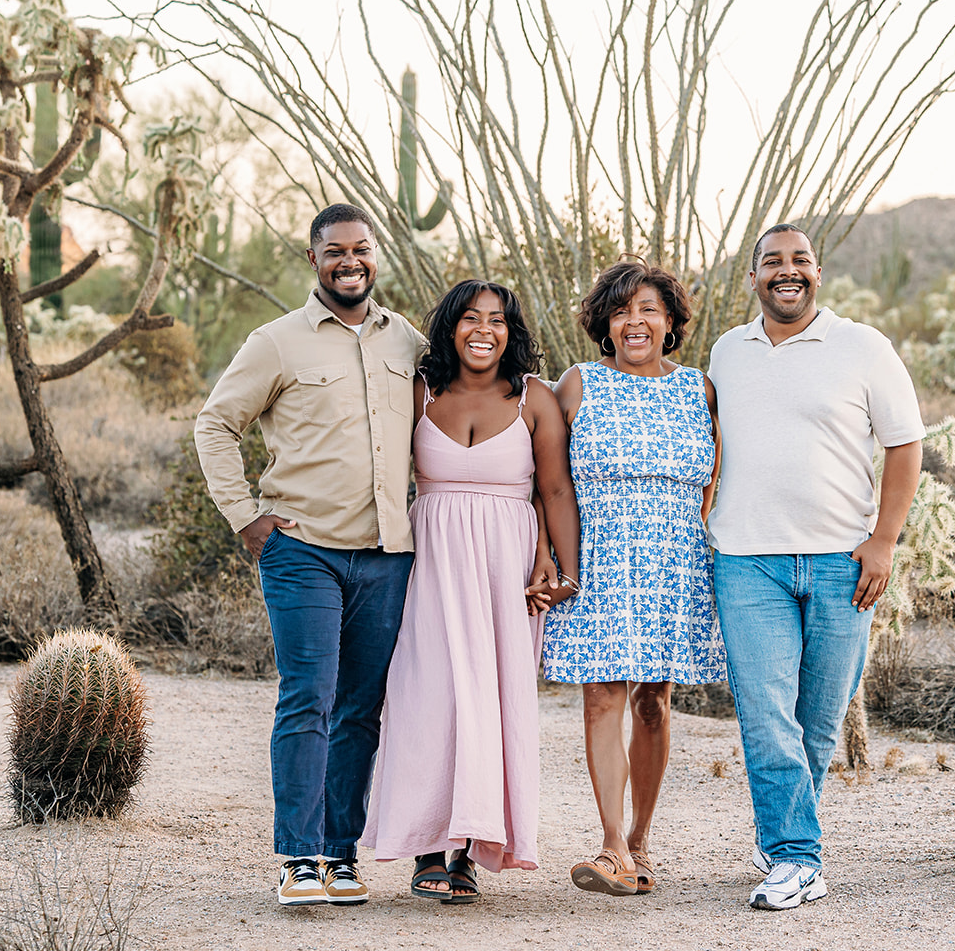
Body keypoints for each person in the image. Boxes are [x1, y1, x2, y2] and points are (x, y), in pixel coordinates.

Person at [194, 203, 424, 907]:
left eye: (360, 249)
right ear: (314, 259)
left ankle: (339, 849)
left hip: (386, 554)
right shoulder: (276, 342)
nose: (348, 261)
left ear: (375, 256)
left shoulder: (406, 340)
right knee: (308, 697)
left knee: (360, 706)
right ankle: (298, 854)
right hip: (303, 551)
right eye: (334, 251)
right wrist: (245, 518)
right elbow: (215, 423)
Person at [708, 223, 924, 911]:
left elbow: (905, 443)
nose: (786, 270)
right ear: (752, 279)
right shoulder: (726, 351)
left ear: (818, 272)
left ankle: (779, 834)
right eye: (771, 261)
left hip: (842, 560)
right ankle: (799, 857)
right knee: (766, 714)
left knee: (819, 719)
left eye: (799, 258)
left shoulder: (863, 347)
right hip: (747, 561)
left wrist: (884, 539)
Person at [362, 279, 580, 903]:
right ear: (450, 328)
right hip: (429, 561)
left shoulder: (534, 398)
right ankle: (429, 843)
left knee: (489, 702)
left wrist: (563, 569)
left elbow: (557, 490)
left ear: (511, 332)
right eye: (470, 318)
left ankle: (470, 848)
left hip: (506, 569)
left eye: (497, 320)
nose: (483, 330)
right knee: (429, 696)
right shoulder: (420, 391)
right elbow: (377, 466)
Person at [541, 260, 725, 897]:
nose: (635, 321)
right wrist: (550, 556)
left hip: (674, 560)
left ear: (670, 321)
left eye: (649, 309)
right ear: (604, 323)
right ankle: (612, 846)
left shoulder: (699, 389)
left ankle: (643, 841)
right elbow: (549, 484)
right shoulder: (578, 385)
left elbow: (712, 485)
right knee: (601, 699)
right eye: (621, 310)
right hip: (598, 560)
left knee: (653, 702)